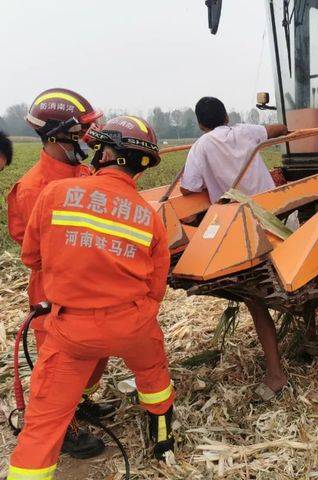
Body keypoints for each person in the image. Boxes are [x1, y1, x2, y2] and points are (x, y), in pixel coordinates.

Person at [8, 116, 175, 480]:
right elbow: (156, 287)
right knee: (153, 371)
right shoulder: (149, 217)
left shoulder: (53, 194)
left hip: (72, 330)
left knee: (45, 420)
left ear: (108, 153)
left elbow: (32, 259)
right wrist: (134, 315)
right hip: (132, 323)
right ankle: (163, 439)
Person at [6, 88, 110, 458]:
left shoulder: (83, 173)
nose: (88, 138)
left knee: (94, 356)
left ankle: (76, 406)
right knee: (58, 367)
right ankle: (61, 430)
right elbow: (33, 252)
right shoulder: (33, 189)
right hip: (57, 296)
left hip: (92, 289)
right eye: (81, 131)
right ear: (56, 136)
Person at [180, 97, 289, 401]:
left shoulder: (201, 145)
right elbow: (278, 128)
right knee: (287, 274)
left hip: (241, 226)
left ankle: (276, 374)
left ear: (200, 124)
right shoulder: (247, 131)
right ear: (226, 116)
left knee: (256, 297)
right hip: (275, 215)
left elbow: (189, 187)